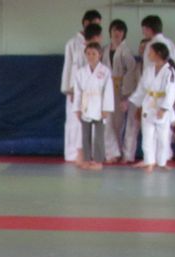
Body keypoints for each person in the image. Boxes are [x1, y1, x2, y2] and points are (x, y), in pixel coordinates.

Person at [61, 10, 103, 165]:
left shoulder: (97, 45)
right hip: (75, 89)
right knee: (74, 122)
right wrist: (69, 89)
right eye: (95, 24)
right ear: (86, 23)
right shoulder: (72, 43)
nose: (97, 27)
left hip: (91, 90)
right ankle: (72, 154)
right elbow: (69, 69)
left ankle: (87, 154)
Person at [130, 42, 175, 172]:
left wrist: (164, 108)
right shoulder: (149, 69)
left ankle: (162, 162)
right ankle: (149, 161)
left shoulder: (169, 71)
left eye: (150, 52)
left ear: (159, 54)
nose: (148, 54)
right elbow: (141, 89)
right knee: (147, 135)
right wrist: (137, 105)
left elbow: (172, 91)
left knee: (163, 137)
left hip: (162, 105)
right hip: (149, 103)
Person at [73, 42, 114, 170]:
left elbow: (108, 91)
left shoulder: (105, 71)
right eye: (88, 53)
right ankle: (86, 159)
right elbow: (78, 92)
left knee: (99, 136)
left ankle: (98, 161)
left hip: (99, 105)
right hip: (85, 104)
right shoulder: (80, 72)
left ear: (100, 55)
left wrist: (106, 108)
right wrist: (77, 108)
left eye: (94, 54)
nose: (91, 56)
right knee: (85, 135)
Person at [104, 19, 137, 163]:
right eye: (114, 30)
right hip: (106, 88)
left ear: (124, 34)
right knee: (106, 121)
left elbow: (131, 72)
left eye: (120, 31)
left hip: (120, 89)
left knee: (118, 122)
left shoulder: (126, 51)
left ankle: (118, 152)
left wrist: (126, 95)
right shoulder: (104, 49)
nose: (117, 33)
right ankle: (111, 153)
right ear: (110, 32)